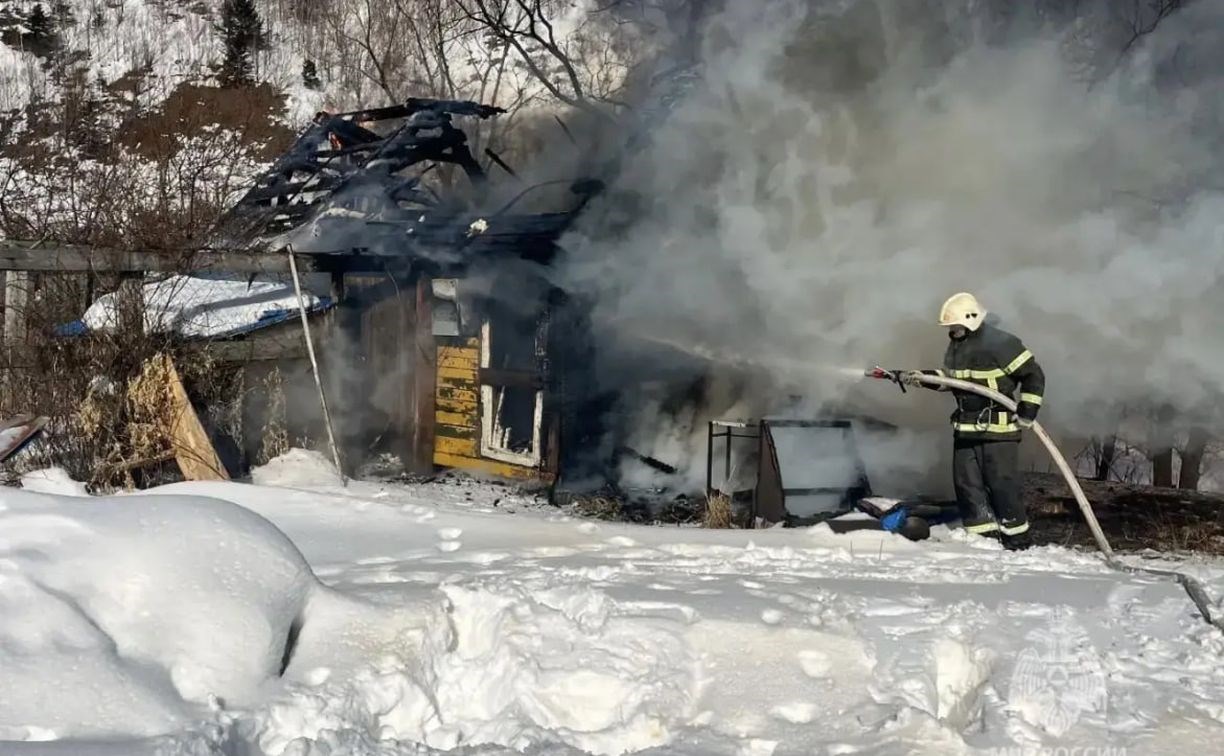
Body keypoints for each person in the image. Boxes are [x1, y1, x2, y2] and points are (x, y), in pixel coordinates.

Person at [901, 292, 1045, 550]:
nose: (951, 332)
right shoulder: (958, 346)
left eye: (955, 326)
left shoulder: (1002, 344)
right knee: (967, 487)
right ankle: (983, 541)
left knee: (1002, 486)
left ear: (971, 320)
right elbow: (951, 380)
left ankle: (1017, 542)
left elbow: (1034, 375)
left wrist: (1027, 410)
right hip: (966, 430)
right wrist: (921, 377)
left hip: (998, 432)